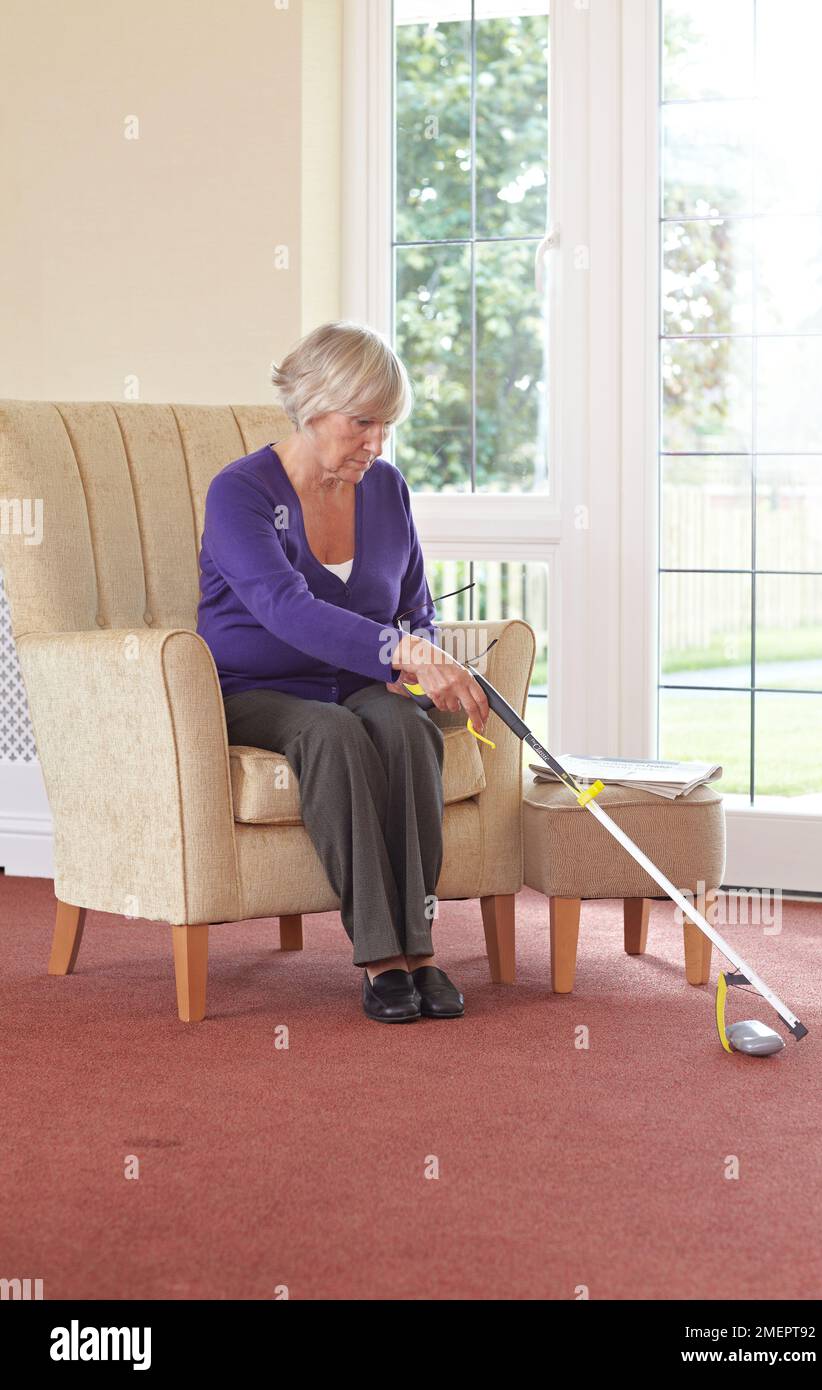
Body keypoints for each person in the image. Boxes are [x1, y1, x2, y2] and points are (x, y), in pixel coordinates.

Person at [196, 320, 490, 1023]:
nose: (376, 444)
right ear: (312, 406)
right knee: (334, 733)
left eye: (385, 426)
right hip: (257, 692)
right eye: (362, 423)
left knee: (406, 724)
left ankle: (421, 949)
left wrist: (415, 652)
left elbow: (414, 603)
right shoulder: (239, 493)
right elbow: (285, 608)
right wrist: (399, 650)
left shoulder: (386, 488)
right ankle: (382, 960)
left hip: (359, 683)